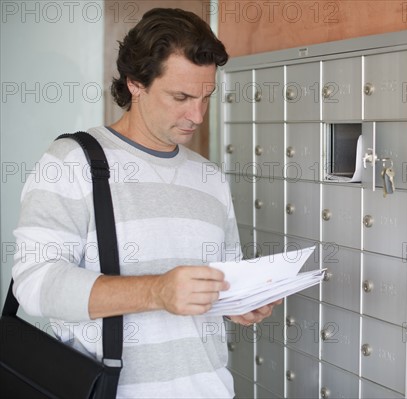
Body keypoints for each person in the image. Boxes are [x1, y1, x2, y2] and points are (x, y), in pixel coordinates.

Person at [12, 8, 278, 398]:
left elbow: (220, 279)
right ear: (136, 84)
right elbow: (35, 284)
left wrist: (240, 302)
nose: (197, 115)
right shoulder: (72, 161)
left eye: (206, 97)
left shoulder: (210, 177)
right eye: (181, 97)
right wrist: (156, 292)